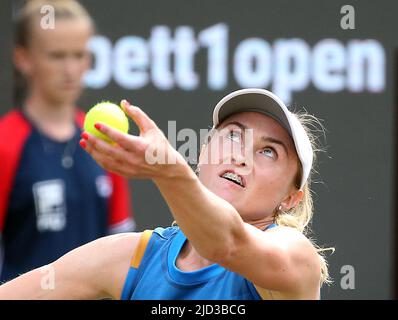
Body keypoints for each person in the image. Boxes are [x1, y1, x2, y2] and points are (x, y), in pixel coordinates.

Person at [0, 88, 331, 300]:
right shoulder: (133, 256)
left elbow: (226, 245)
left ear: (291, 198)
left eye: (269, 152)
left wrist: (168, 170)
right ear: (203, 151)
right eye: (233, 135)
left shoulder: (297, 260)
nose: (241, 155)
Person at [0, 0, 134, 283]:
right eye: (57, 56)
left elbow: (123, 247)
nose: (71, 69)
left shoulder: (103, 139)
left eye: (79, 55)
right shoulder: (6, 143)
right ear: (23, 58)